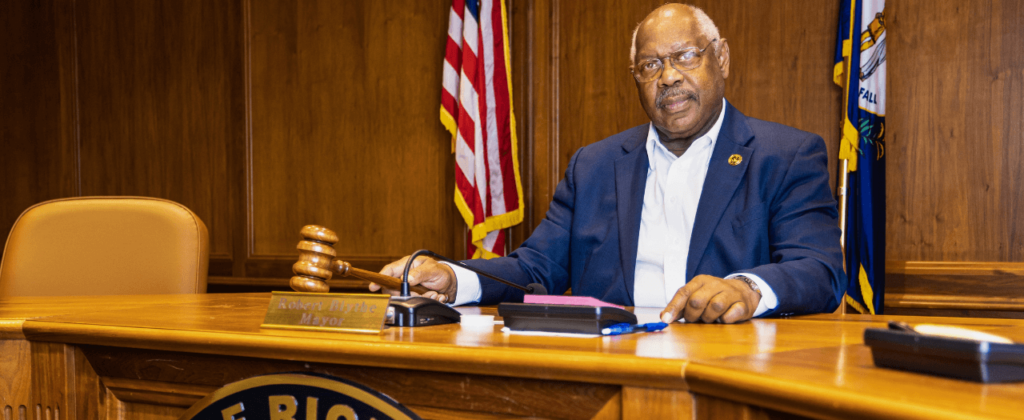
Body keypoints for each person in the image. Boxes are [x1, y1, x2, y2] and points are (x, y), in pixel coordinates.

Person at [371, 3, 845, 324]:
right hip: (605, 370)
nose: (670, 77)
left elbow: (819, 270)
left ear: (720, 58)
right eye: (650, 65)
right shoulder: (594, 166)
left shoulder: (785, 155)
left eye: (685, 56)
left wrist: (747, 288)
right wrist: (456, 277)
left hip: (728, 371)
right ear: (636, 78)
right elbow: (538, 266)